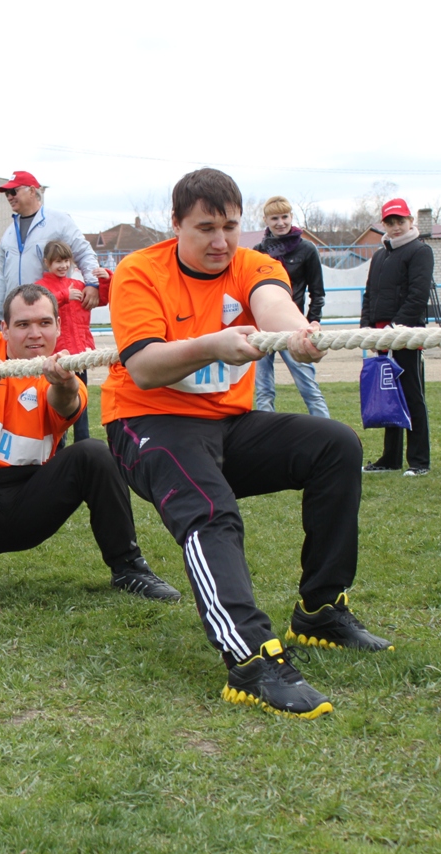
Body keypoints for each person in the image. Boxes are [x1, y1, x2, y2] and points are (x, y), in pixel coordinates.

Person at [102, 168, 392, 720]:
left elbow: (272, 302)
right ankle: (251, 658)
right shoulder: (140, 271)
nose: (220, 242)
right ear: (176, 225)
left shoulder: (255, 262)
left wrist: (296, 335)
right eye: (205, 228)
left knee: (336, 445)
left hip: (227, 424)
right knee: (209, 509)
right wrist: (212, 344)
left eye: (231, 227)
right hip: (147, 422)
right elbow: (142, 367)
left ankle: (321, 610)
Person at [0, 282, 180, 607]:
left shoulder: (63, 372)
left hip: (30, 504)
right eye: (23, 324)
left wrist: (63, 384)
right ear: (4, 330)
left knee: (94, 453)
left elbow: (65, 404)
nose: (35, 333)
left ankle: (128, 567)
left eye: (44, 323)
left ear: (58, 327)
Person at [359, 198, 433, 476]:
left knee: (412, 395)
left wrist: (397, 326)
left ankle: (419, 461)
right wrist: (366, 327)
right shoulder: (379, 255)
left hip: (406, 335)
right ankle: (390, 458)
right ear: (384, 225)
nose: (396, 227)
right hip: (380, 336)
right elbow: (370, 294)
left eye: (400, 221)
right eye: (390, 222)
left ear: (410, 221)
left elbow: (418, 295)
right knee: (388, 396)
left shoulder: (420, 251)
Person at [0, 171, 105, 329]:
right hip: (17, 315)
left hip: (48, 313)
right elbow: (3, 277)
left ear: (31, 190)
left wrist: (93, 283)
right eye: (7, 194)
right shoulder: (8, 234)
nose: (9, 197)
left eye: (13, 191)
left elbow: (84, 253)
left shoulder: (59, 221)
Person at [252, 197, 329, 418]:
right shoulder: (258, 252)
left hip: (293, 329)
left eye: (284, 217)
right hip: (262, 329)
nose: (280, 222)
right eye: (274, 218)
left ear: (291, 217)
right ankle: (266, 442)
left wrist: (311, 323)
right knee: (264, 392)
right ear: (265, 220)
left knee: (309, 389)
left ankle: (327, 434)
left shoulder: (307, 249)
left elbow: (317, 292)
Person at [35, 239, 107, 442]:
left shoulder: (78, 285)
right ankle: (57, 445)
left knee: (81, 405)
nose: (63, 266)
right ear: (47, 263)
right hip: (56, 357)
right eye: (58, 262)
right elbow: (41, 306)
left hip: (79, 355)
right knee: (58, 407)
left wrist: (105, 280)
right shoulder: (41, 288)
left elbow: (102, 298)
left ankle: (82, 445)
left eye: (66, 261)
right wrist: (64, 296)